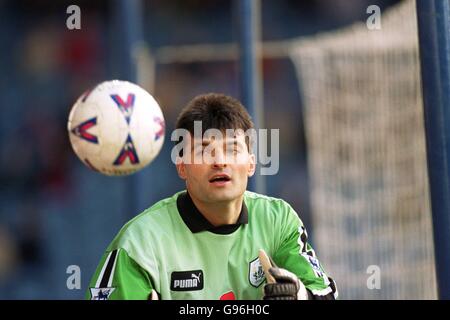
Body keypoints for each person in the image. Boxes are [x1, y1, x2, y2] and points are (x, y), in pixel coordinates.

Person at [86, 93, 337, 300]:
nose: (219, 162)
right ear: (181, 166)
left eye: (232, 149)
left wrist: (300, 295)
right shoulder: (139, 243)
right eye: (204, 151)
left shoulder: (278, 220)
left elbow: (325, 294)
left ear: (251, 163)